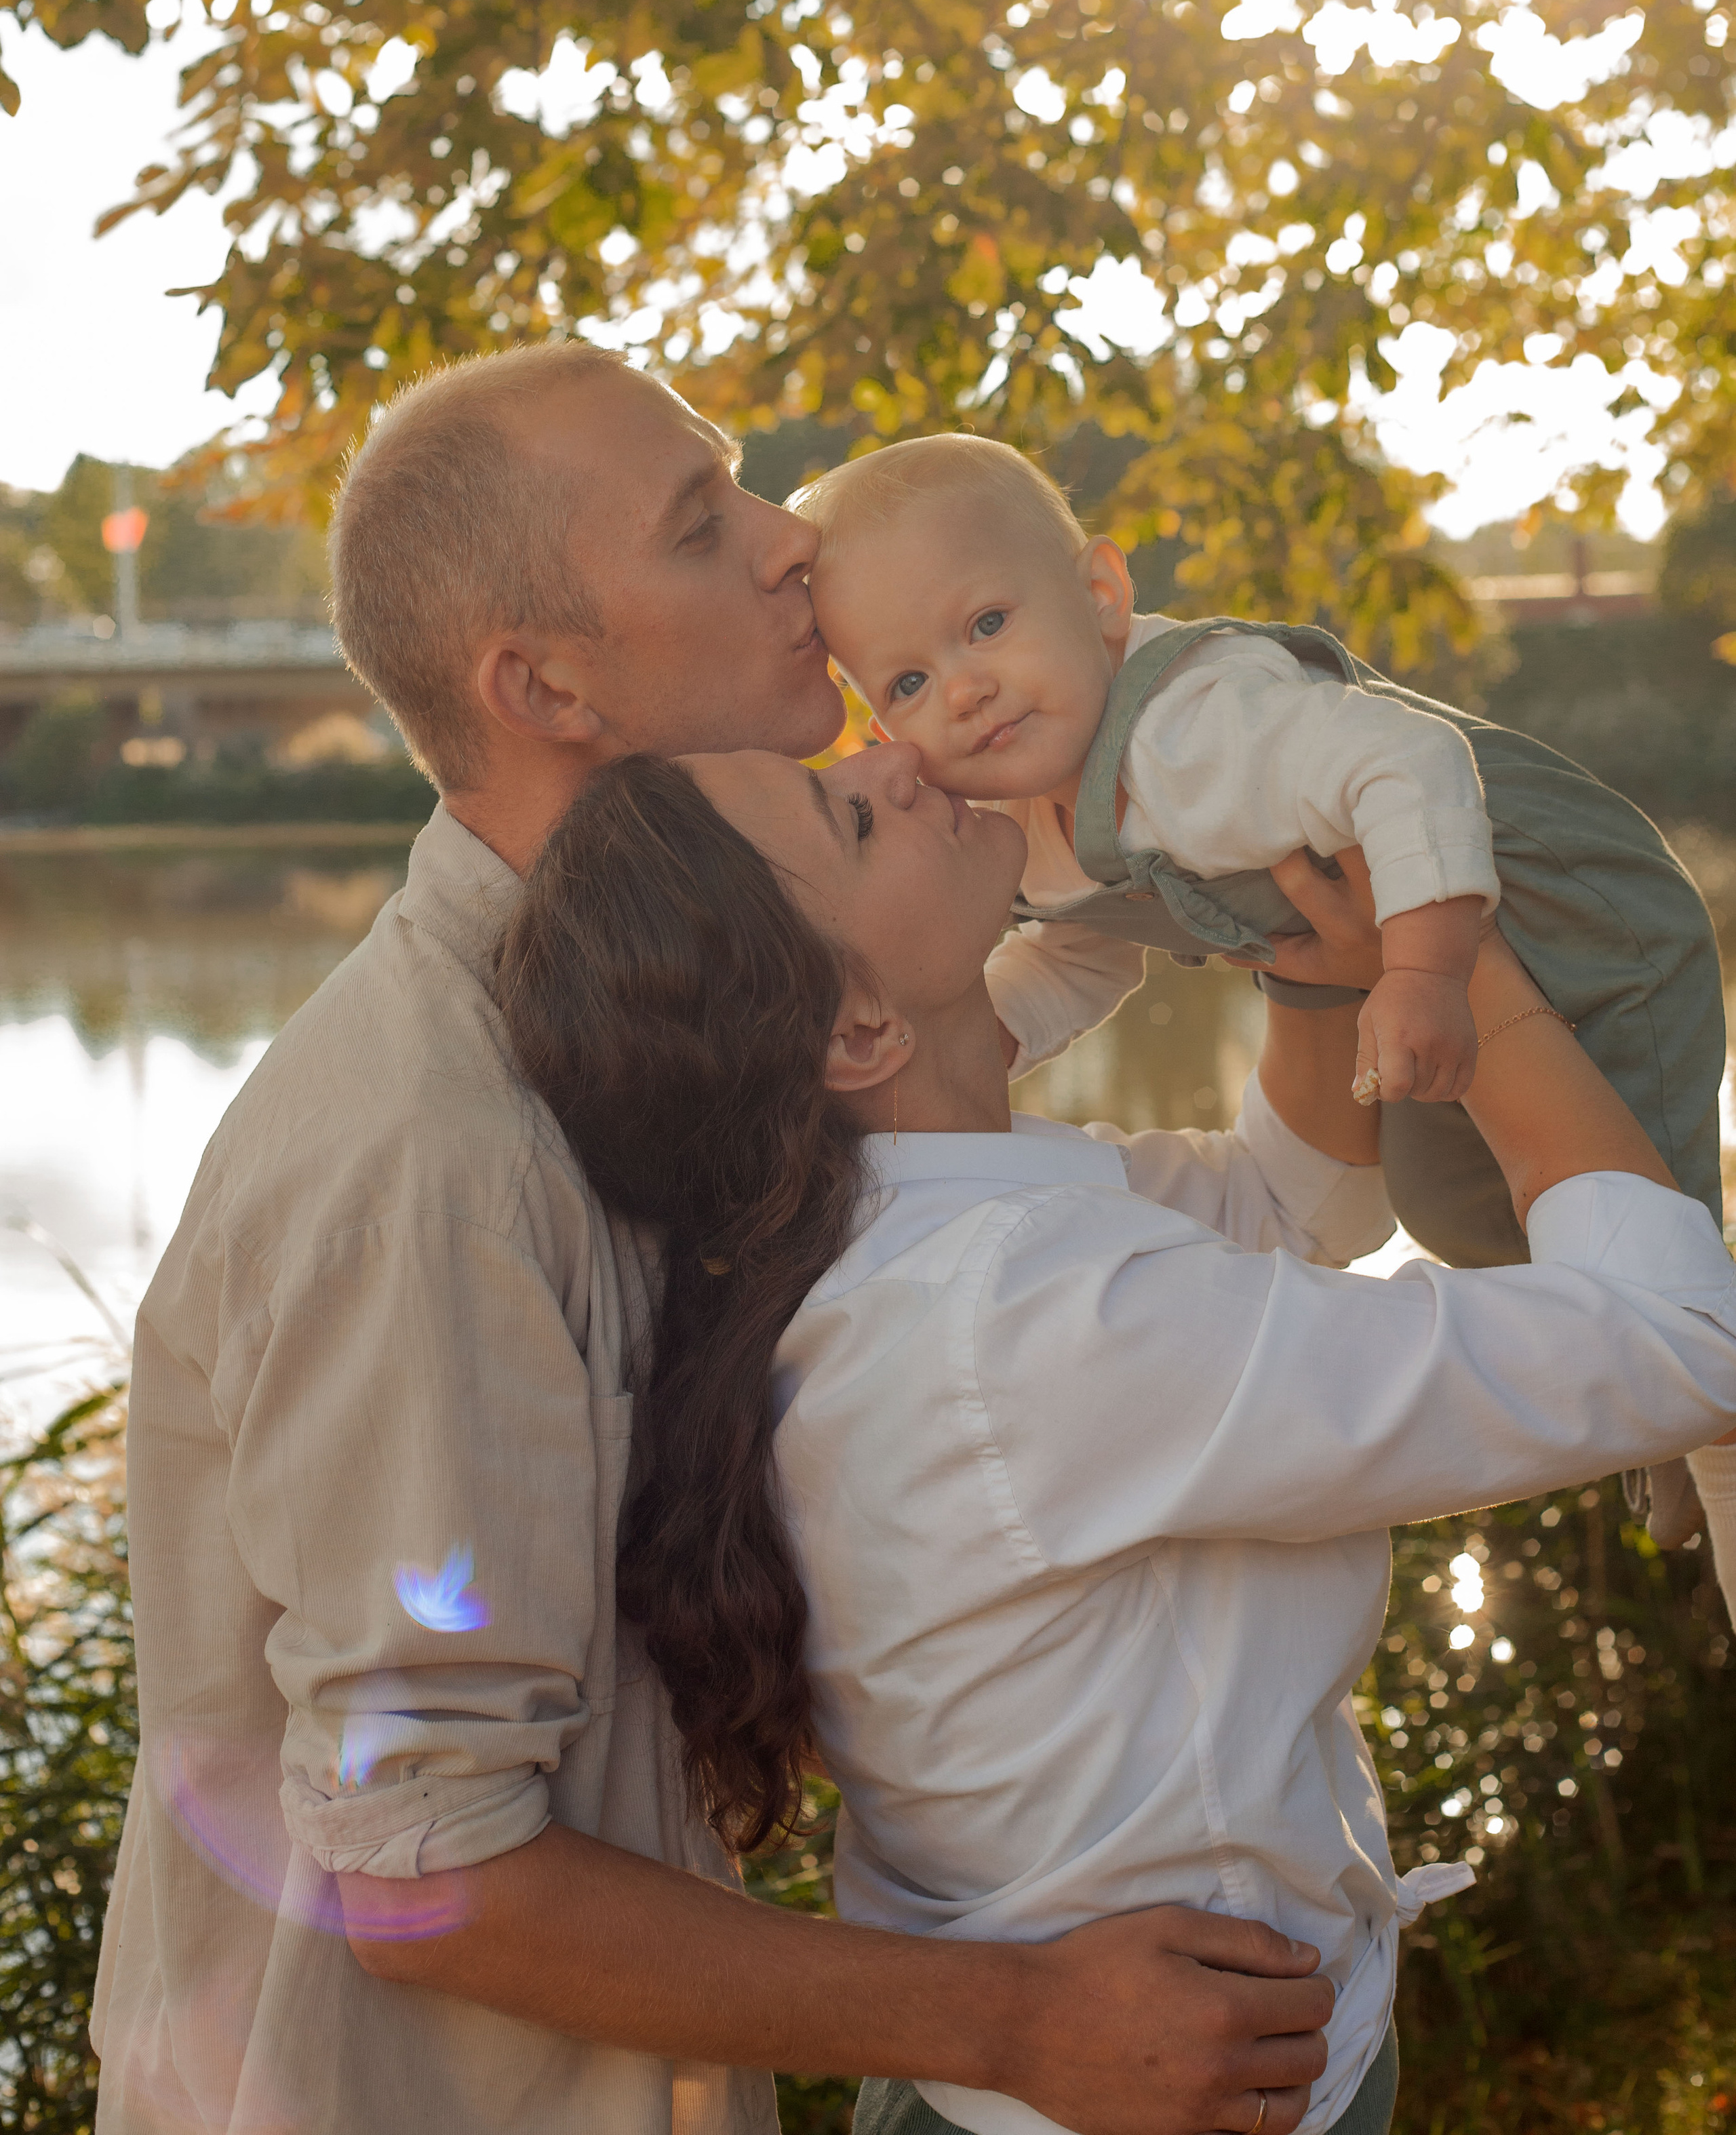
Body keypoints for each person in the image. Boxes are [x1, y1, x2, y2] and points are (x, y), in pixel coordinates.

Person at [92, 343, 1342, 2135]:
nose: (788, 546)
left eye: (744, 484)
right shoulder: (428, 1164)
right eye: (703, 526)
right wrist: (1010, 2023)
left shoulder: (698, 1024)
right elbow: (423, 1859)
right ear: (544, 684)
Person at [496, 739, 1736, 2135]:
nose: (895, 760)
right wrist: (1464, 980)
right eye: (847, 813)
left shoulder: (896, 1249)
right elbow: (1685, 1342)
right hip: (1184, 2086)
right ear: (854, 1030)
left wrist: (1316, 967)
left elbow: (1284, 1218)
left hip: (1062, 2072)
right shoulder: (1029, 1314)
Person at [792, 431, 1728, 1544]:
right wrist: (987, 1033)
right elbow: (1087, 949)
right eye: (909, 681)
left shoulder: (1196, 728)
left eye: (988, 625)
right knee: (1448, 1206)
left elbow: (1412, 762)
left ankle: (1702, 1425)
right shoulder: (1036, 815)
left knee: (1665, 1218)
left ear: (1098, 595)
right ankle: (1666, 1408)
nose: (967, 689)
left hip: (1575, 909)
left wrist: (1428, 970)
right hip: (1415, 937)